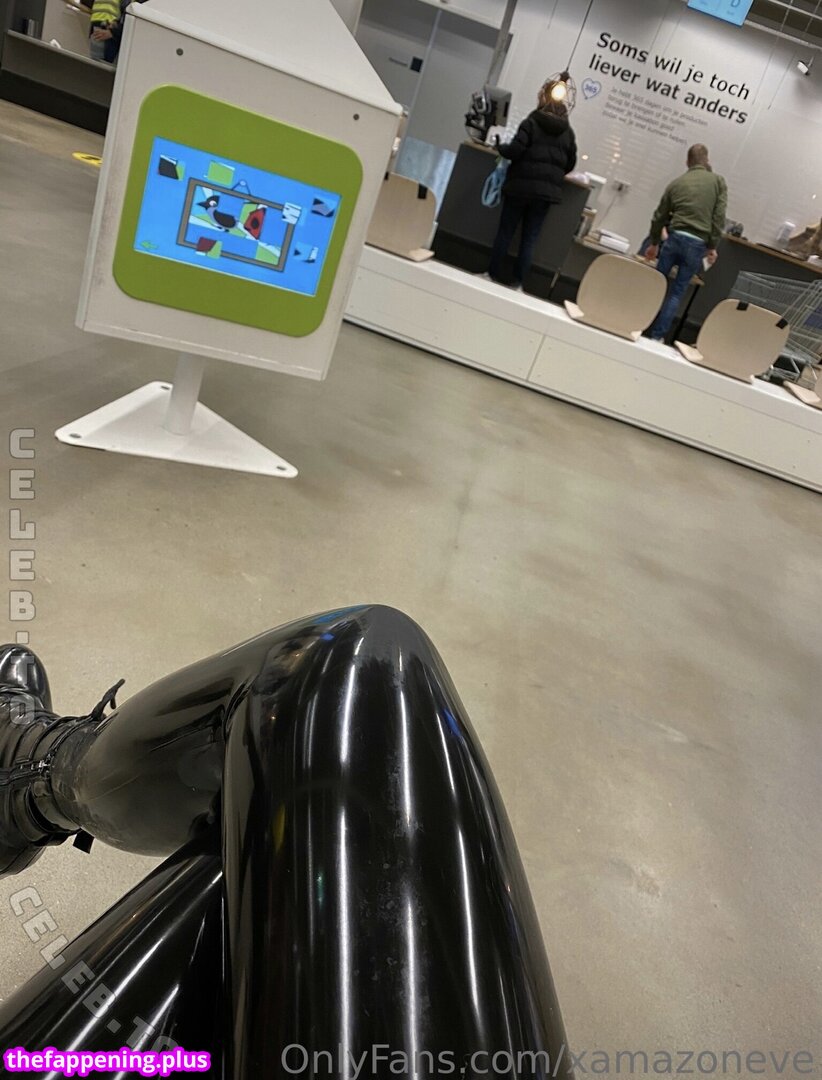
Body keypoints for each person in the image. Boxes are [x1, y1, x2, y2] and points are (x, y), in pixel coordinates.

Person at [486, 79, 577, 292]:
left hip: (519, 187)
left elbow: (516, 150)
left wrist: (501, 148)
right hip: (544, 195)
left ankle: (491, 274)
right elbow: (570, 163)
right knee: (530, 238)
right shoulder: (568, 132)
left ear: (543, 97)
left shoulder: (532, 122)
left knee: (506, 232)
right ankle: (518, 283)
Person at [645, 144, 728, 341]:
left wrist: (654, 242)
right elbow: (718, 217)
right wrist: (712, 246)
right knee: (676, 293)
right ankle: (657, 337)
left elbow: (659, 216)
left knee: (657, 285)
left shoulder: (677, 183)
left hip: (673, 239)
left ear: (687, 162)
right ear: (707, 161)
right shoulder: (718, 182)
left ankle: (640, 324)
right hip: (697, 244)